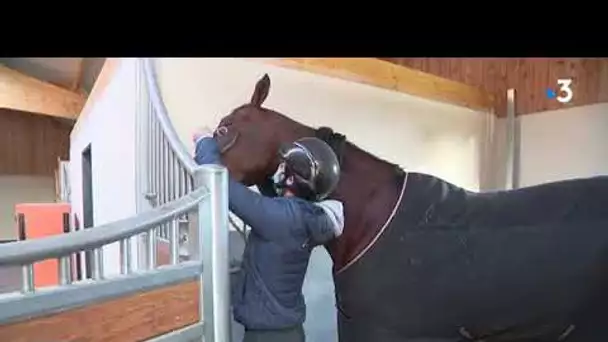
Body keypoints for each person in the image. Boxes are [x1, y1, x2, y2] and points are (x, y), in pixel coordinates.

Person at [193, 128, 345, 342]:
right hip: (290, 332)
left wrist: (204, 142)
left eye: (284, 166)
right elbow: (275, 200)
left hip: (266, 337)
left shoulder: (279, 217)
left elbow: (223, 186)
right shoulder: (308, 216)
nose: (278, 169)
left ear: (291, 179)